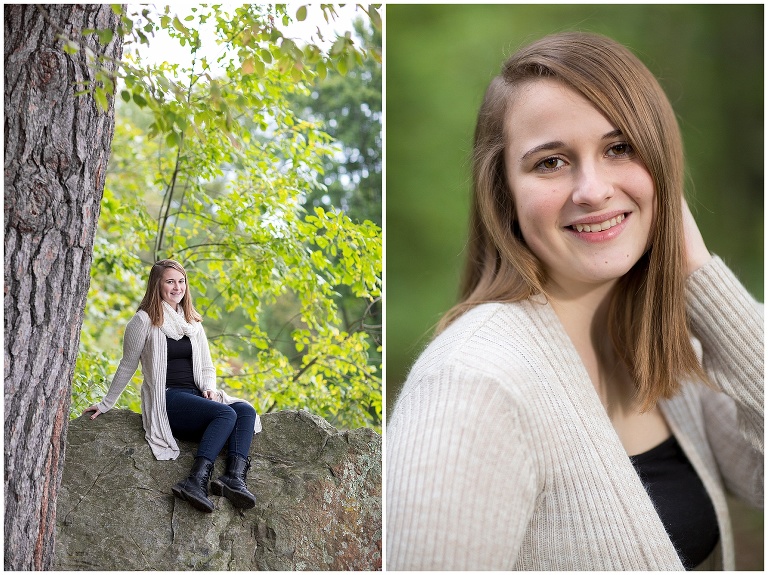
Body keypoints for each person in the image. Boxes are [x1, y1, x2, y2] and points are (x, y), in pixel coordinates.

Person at [386, 32, 763, 570]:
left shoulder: (672, 347)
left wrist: (697, 274)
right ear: (504, 196)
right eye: (550, 163)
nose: (591, 189)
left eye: (619, 148)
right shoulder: (473, 385)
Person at [85, 259, 263, 513]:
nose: (177, 287)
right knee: (226, 413)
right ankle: (195, 481)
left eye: (181, 281)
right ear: (157, 285)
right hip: (167, 399)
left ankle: (233, 479)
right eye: (170, 281)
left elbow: (207, 367)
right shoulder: (143, 321)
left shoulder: (192, 322)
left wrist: (210, 388)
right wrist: (106, 404)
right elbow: (127, 365)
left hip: (195, 397)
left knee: (245, 409)